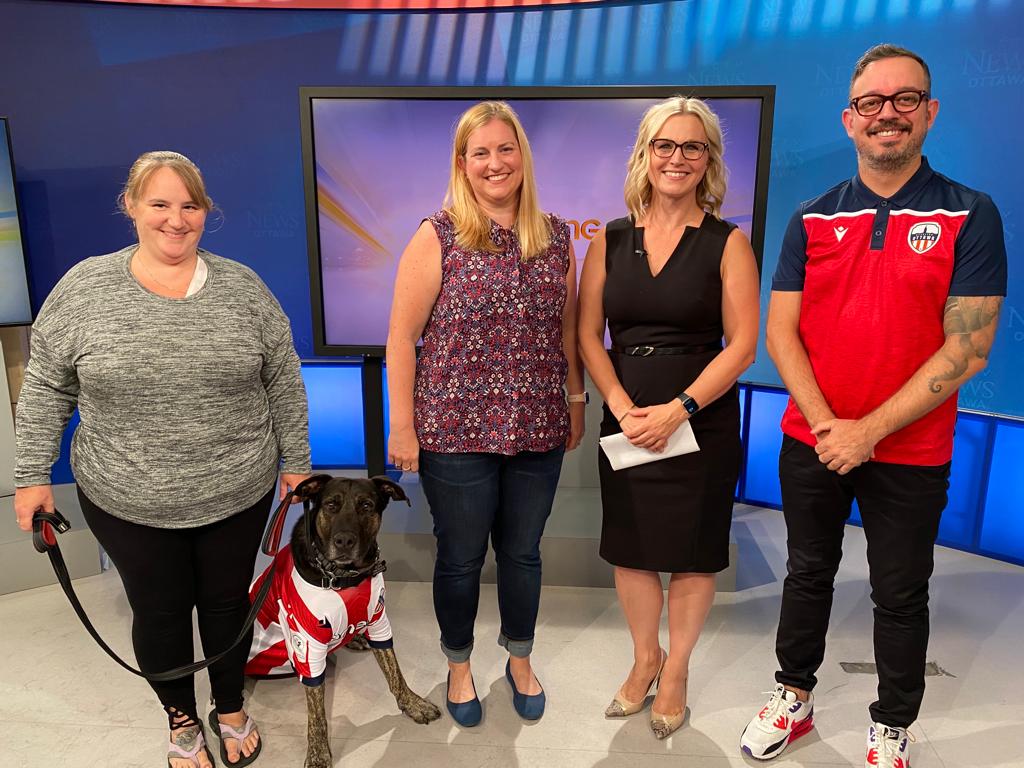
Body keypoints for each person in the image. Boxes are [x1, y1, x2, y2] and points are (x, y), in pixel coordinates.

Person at [739, 44, 1007, 768]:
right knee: (807, 573)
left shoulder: (970, 214)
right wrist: (832, 426)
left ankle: (891, 725)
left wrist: (868, 432)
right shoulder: (811, 217)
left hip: (911, 450)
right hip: (815, 439)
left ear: (929, 111)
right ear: (850, 120)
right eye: (872, 103)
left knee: (900, 590)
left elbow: (969, 348)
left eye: (904, 99)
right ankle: (792, 697)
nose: (887, 114)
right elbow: (780, 331)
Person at [13, 151, 312, 768]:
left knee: (228, 604)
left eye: (189, 206)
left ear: (205, 212)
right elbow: (46, 385)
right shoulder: (85, 288)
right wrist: (30, 476)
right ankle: (181, 722)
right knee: (160, 611)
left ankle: (229, 708)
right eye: (160, 204)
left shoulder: (243, 289)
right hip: (126, 498)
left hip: (236, 489)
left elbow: (283, 379)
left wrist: (297, 462)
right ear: (131, 207)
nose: (176, 220)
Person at [385, 101, 585, 726]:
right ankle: (460, 665)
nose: (495, 163)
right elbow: (400, 336)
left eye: (506, 149)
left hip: (537, 425)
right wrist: (401, 425)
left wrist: (575, 400)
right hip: (454, 431)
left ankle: (519, 658)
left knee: (523, 554)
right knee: (462, 557)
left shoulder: (555, 237)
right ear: (463, 164)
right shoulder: (437, 234)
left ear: (522, 156)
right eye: (481, 153)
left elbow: (567, 330)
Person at [577, 96, 760, 739]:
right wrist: (624, 408)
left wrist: (679, 409)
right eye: (664, 145)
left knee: (691, 554)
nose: (676, 158)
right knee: (632, 549)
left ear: (707, 159)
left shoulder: (727, 242)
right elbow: (587, 334)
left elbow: (742, 345)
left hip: (699, 421)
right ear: (645, 154)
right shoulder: (610, 238)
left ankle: (675, 669)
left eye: (692, 146)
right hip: (626, 419)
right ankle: (643, 658)